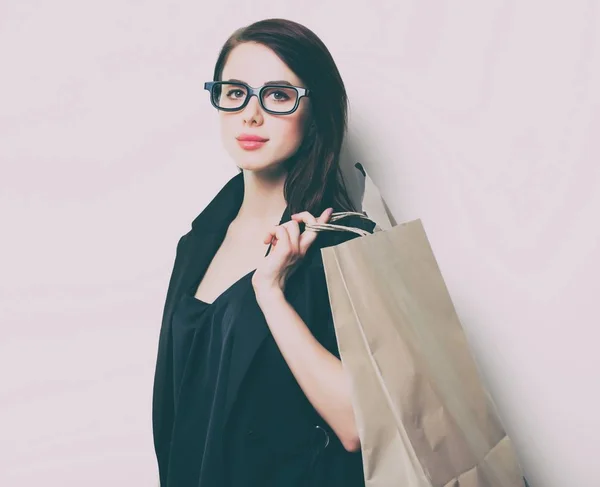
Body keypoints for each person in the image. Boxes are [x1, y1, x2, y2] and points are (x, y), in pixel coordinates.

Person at [151, 18, 376, 487]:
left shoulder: (339, 245)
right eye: (235, 92)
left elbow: (361, 425)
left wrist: (270, 292)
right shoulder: (198, 242)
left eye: (277, 95)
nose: (250, 115)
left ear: (315, 111)